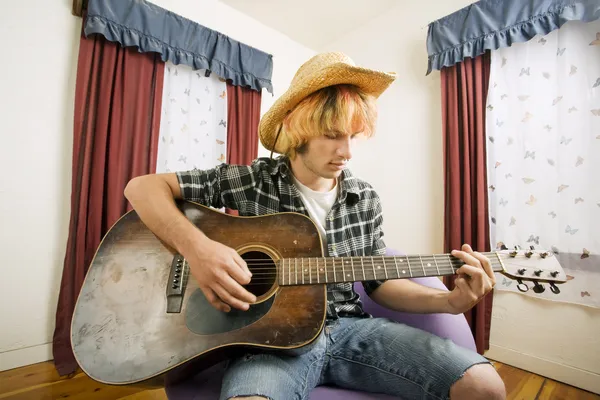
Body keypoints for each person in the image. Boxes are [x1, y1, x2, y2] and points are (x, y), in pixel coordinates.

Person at [124, 52, 505, 400]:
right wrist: (199, 250)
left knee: (485, 387)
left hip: (353, 331)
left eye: (352, 136)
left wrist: (449, 302)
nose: (347, 152)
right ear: (298, 128)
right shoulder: (253, 181)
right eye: (332, 135)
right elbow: (142, 188)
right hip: (270, 344)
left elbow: (379, 283)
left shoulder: (365, 198)